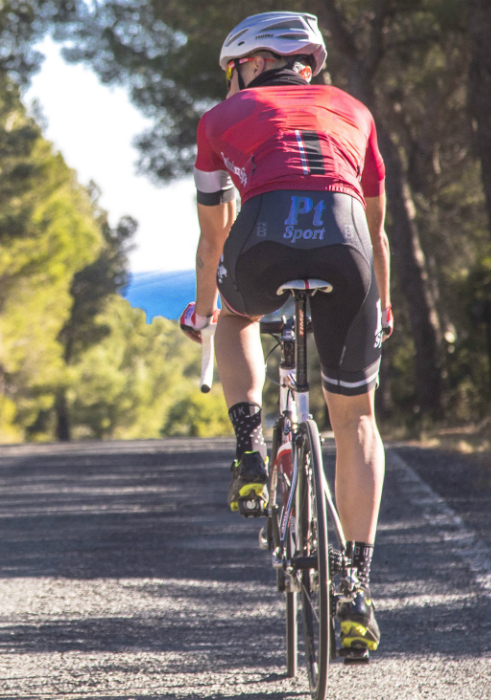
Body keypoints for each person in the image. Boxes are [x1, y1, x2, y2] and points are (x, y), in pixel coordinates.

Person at [177, 11, 392, 659]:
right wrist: (381, 305)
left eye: (232, 70)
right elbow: (376, 229)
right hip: (347, 245)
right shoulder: (355, 110)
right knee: (356, 420)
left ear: (250, 63)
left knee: (236, 316)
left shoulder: (221, 118)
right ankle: (356, 588)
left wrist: (204, 311)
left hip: (263, 240)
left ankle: (249, 449)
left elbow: (213, 237)